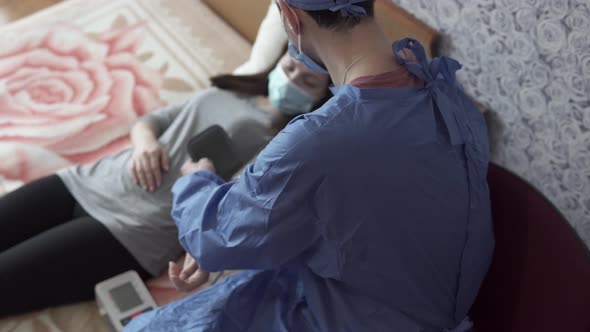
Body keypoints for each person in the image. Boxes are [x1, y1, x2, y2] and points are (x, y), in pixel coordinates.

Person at [124, 0, 495, 331]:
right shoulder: (446, 94)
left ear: (289, 17)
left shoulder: (319, 140)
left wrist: (198, 179)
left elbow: (214, 237)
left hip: (345, 315)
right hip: (420, 304)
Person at [0, 51, 331, 317]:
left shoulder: (283, 149)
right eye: (288, 68)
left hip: (128, 231)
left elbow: (229, 216)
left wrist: (201, 180)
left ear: (321, 99)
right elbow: (151, 122)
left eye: (307, 82)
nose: (291, 80)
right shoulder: (226, 91)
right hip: (86, 181)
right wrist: (145, 143)